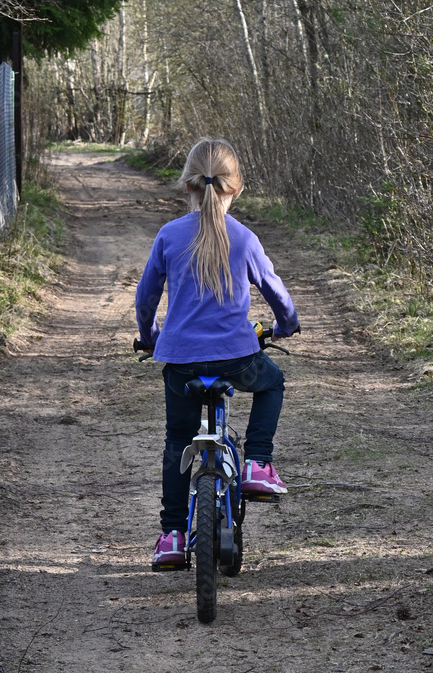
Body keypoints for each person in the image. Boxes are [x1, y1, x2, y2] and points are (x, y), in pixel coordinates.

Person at [135, 137, 300, 569]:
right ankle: (258, 464)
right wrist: (285, 324)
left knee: (177, 442)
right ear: (237, 188)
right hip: (236, 359)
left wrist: (150, 336)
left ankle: (171, 535)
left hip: (181, 362)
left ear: (187, 186)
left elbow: (145, 297)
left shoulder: (170, 236)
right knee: (273, 382)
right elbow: (276, 292)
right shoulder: (244, 238)